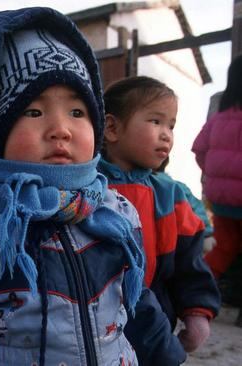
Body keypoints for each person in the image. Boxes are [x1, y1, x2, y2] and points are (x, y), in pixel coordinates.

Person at [0, 7, 185, 365]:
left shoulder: (114, 215)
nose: (61, 129)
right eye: (34, 112)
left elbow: (137, 302)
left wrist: (168, 356)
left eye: (77, 113)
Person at [98, 75, 220, 352]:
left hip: (154, 320)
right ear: (112, 127)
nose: (167, 134)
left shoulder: (170, 196)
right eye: (155, 121)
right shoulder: (87, 186)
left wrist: (197, 311)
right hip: (92, 319)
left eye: (171, 125)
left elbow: (189, 261)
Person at [193, 54, 242, 327]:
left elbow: (199, 148)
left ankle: (196, 294)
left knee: (223, 248)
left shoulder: (220, 116)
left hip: (221, 198)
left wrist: (213, 176)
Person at [155, 157, 216, 252]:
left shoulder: (172, 187)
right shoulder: (177, 186)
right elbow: (197, 209)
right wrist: (206, 234)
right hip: (185, 244)